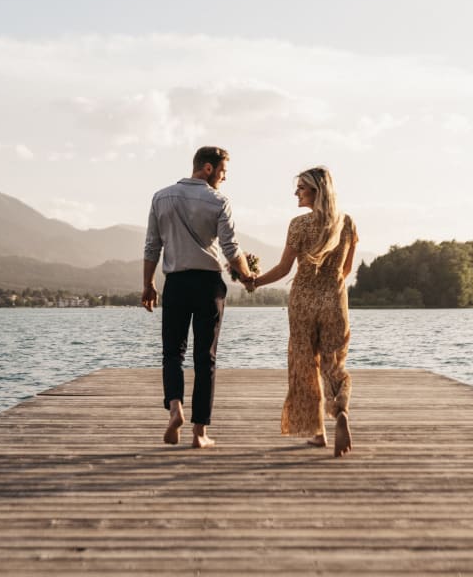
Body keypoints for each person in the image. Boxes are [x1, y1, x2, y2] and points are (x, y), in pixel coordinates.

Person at [142, 146, 255, 448]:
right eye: (222, 173)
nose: (223, 179)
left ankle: (175, 408)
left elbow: (152, 246)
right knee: (205, 359)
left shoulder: (160, 197)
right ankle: (199, 433)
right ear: (208, 169)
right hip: (208, 286)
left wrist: (148, 284)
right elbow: (230, 249)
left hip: (175, 284)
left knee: (172, 354)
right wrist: (247, 276)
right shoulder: (218, 201)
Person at [249, 166, 358, 457]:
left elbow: (285, 268)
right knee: (334, 365)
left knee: (305, 366)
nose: (295, 193)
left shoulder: (298, 225)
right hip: (334, 300)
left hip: (302, 302)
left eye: (301, 188)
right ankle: (341, 411)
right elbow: (346, 270)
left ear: (316, 191)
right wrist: (329, 288)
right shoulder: (346, 223)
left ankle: (319, 432)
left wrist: (255, 281)